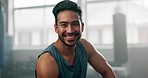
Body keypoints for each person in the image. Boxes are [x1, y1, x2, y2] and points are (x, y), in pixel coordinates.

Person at [35, 0, 117, 78]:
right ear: (56, 28)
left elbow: (106, 71)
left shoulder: (85, 46)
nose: (70, 31)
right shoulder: (47, 62)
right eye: (64, 25)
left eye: (75, 24)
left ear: (82, 27)